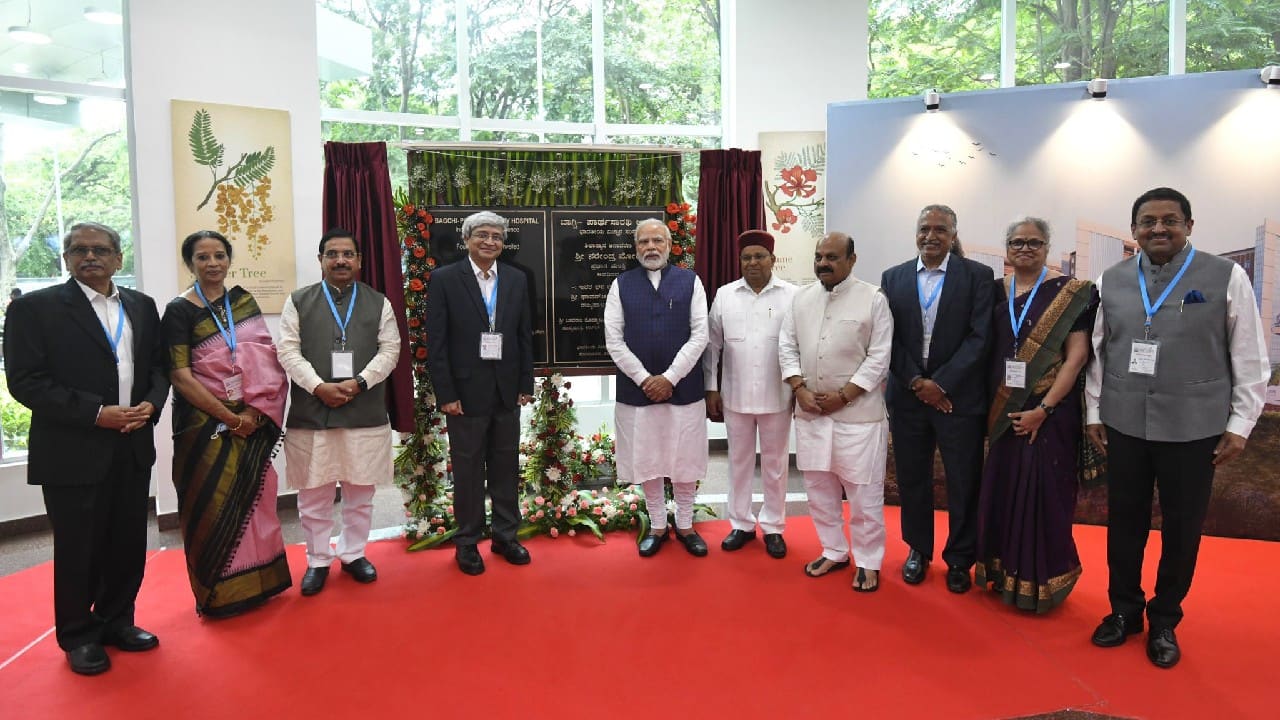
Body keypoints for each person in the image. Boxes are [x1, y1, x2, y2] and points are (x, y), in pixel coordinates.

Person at [1085, 187, 1269, 668]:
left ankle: (1165, 619)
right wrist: (1093, 412)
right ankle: (1124, 611)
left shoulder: (1226, 276)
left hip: (1194, 427)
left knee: (1182, 529)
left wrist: (1240, 423)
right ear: (1134, 230)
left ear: (1189, 225)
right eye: (1148, 221)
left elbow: (1249, 354)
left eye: (1170, 220)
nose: (1158, 228)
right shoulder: (1110, 280)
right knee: (1124, 524)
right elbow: (1099, 352)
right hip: (1124, 422)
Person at [3, 222, 169, 675]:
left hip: (132, 445)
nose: (89, 256)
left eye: (99, 249)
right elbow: (26, 381)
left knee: (127, 543)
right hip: (72, 450)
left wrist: (151, 404)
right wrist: (96, 413)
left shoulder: (140, 305)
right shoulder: (34, 309)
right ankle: (78, 635)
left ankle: (117, 621)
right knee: (79, 548)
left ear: (118, 258)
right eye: (79, 250)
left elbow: (158, 367)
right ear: (67, 260)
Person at [161, 230, 291, 618]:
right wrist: (230, 418)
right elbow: (180, 375)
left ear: (229, 260)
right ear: (190, 263)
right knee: (213, 503)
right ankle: (220, 594)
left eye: (219, 255)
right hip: (204, 425)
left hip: (252, 415)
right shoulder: (179, 310)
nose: (213, 263)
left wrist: (253, 411)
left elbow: (266, 358)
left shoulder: (243, 302)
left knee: (257, 497)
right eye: (203, 257)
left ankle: (261, 582)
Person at [974, 218, 1099, 613]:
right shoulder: (994, 291)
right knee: (1004, 489)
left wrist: (1043, 410)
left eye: (1034, 242)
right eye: (1017, 242)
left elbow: (1076, 357)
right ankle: (1004, 572)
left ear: (1047, 247)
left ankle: (1044, 579)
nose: (1025, 248)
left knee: (1046, 495)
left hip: (1050, 413)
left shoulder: (1072, 292)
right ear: (1007, 248)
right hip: (1004, 410)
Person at [277, 229, 401, 596]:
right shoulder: (298, 301)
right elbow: (287, 350)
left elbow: (390, 350)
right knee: (313, 495)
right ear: (321, 260)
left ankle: (353, 554)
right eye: (332, 254)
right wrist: (318, 386)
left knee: (360, 493)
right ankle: (317, 559)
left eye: (348, 254)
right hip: (312, 412)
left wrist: (359, 383)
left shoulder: (379, 302)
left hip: (364, 411)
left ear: (359, 260)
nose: (341, 260)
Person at [881, 204, 994, 593]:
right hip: (908, 396)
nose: (931, 236)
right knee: (912, 478)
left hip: (958, 399)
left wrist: (940, 384)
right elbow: (887, 337)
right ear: (916, 233)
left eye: (940, 230)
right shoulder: (893, 277)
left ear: (953, 235)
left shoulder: (977, 276)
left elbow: (980, 337)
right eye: (924, 229)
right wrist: (917, 381)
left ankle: (960, 558)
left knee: (963, 480)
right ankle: (918, 549)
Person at [780, 232, 894, 591]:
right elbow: (787, 346)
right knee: (819, 489)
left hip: (859, 417)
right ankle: (833, 550)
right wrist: (799, 388)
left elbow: (880, 357)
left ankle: (868, 560)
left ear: (852, 260)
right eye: (819, 257)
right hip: (812, 413)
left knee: (863, 494)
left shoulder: (873, 298)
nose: (823, 263)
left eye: (832, 257)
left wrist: (844, 396)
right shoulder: (801, 299)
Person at [425, 211, 535, 576]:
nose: (490, 241)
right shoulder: (444, 279)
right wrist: (446, 393)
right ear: (467, 240)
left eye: (497, 237)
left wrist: (525, 384)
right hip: (464, 394)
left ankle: (506, 536)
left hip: (507, 392)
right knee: (469, 471)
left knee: (505, 467)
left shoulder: (517, 279)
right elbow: (436, 343)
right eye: (482, 235)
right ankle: (468, 541)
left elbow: (523, 335)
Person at [605, 217, 709, 558]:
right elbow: (614, 340)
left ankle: (685, 524)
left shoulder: (690, 281)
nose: (650, 247)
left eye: (657, 241)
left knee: (684, 459)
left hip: (683, 389)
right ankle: (658, 525)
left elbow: (700, 334)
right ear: (636, 248)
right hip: (638, 392)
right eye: (643, 242)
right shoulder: (621, 284)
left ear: (669, 245)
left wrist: (670, 378)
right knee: (648, 459)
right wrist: (645, 379)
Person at [703, 229, 797, 558]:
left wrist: (799, 389)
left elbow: (798, 346)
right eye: (746, 257)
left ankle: (773, 526)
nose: (752, 262)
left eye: (759, 256)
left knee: (775, 464)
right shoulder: (725, 295)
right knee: (738, 462)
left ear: (773, 259)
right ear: (739, 261)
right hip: (735, 395)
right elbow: (712, 347)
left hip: (777, 396)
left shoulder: (793, 295)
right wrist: (711, 388)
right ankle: (741, 524)